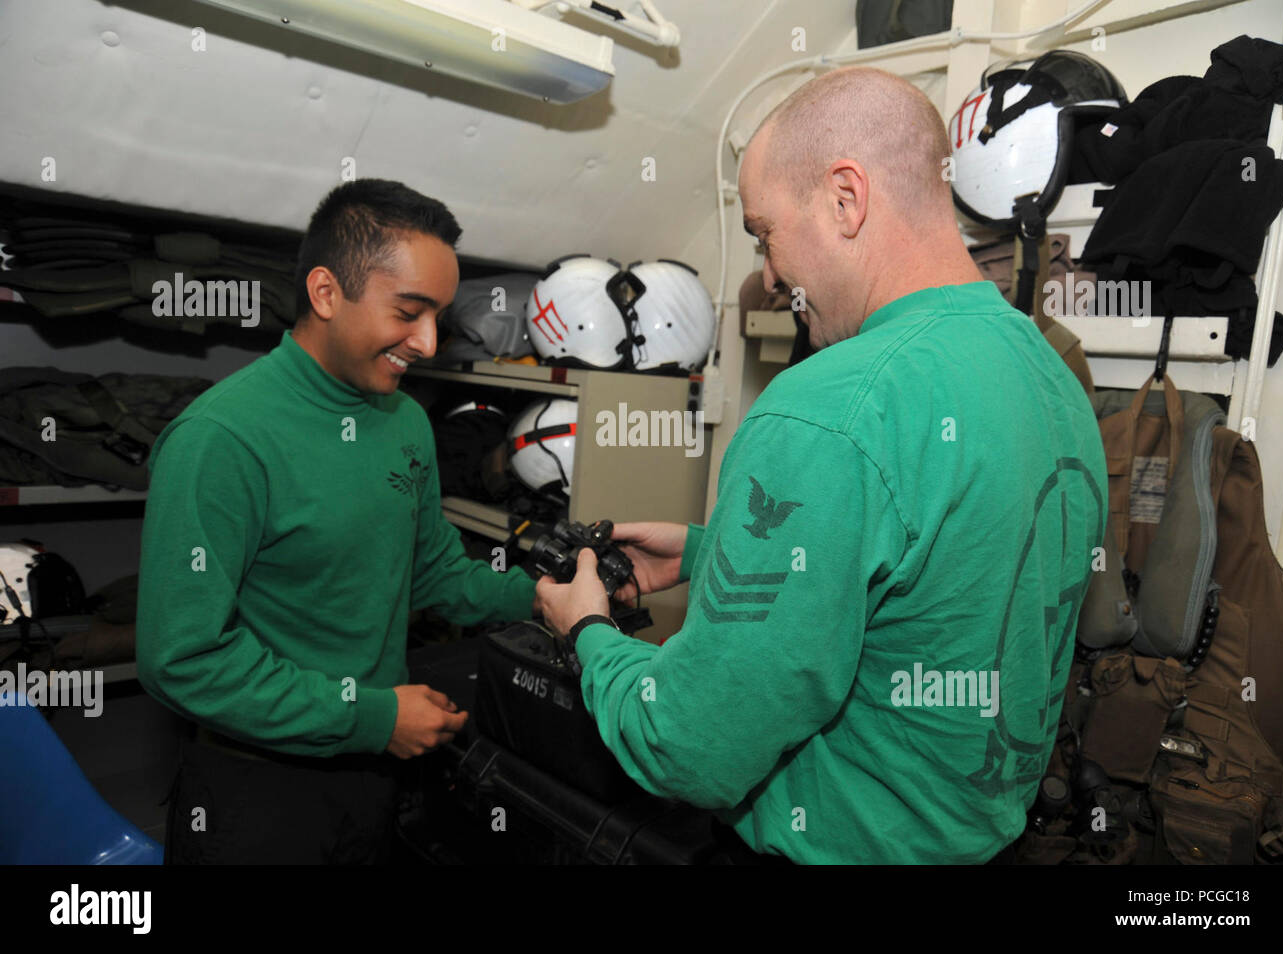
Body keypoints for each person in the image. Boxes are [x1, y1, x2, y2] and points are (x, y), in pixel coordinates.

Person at [537, 66, 1108, 864]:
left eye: (765, 232)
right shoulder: (1052, 376)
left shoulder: (828, 407)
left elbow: (688, 744)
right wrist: (711, 556)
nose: (769, 274)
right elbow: (951, 586)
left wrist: (590, 633)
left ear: (846, 198)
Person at [137, 178, 540, 864]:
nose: (428, 341)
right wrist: (374, 718)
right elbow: (182, 659)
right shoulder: (221, 439)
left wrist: (545, 596)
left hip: (373, 774)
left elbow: (435, 572)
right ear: (326, 294)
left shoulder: (406, 419)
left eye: (438, 315)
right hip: (258, 793)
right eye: (409, 311)